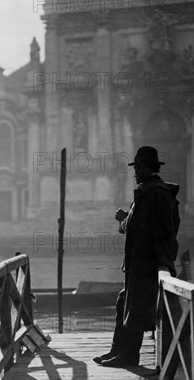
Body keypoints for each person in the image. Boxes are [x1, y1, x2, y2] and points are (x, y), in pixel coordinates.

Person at [94, 146, 180, 368]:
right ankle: (118, 349)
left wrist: (124, 220)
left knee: (135, 308)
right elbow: (141, 226)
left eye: (137, 167)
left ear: (143, 168)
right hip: (142, 263)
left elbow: (147, 229)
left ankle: (129, 355)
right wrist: (126, 221)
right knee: (124, 301)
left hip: (147, 264)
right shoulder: (152, 191)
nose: (134, 172)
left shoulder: (153, 194)